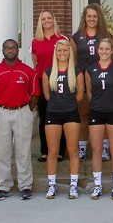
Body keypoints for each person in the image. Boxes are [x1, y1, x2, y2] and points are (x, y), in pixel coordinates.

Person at [0, 39, 40, 201]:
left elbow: (35, 95)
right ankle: (3, 186)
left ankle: (25, 186)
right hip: (1, 113)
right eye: (7, 48)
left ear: (17, 50)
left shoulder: (28, 72)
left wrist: (26, 111)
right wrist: (0, 110)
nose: (10, 51)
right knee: (3, 152)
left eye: (13, 48)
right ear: (3, 51)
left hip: (22, 112)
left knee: (23, 151)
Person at [85, 38, 113, 200]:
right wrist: (96, 104)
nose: (104, 52)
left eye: (107, 49)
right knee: (97, 150)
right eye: (101, 49)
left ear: (112, 51)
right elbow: (89, 92)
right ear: (97, 51)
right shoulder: (90, 70)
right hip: (96, 112)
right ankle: (98, 185)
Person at [42, 39, 84, 199]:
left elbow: (80, 95)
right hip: (53, 113)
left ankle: (73, 186)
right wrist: (57, 103)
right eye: (59, 51)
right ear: (55, 52)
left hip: (71, 113)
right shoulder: (48, 72)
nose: (62, 53)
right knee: (52, 152)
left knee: (73, 151)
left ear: (69, 52)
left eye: (65, 51)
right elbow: (47, 95)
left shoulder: (77, 71)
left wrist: (67, 103)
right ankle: (51, 185)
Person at [71, 3, 112, 162]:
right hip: (83, 80)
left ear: (99, 17)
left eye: (95, 16)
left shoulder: (106, 35)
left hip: (103, 81)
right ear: (84, 17)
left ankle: (105, 149)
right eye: (89, 16)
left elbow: (112, 58)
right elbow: (73, 62)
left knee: (105, 115)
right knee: (84, 115)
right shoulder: (76, 37)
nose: (92, 19)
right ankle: (82, 149)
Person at [31, 10, 68, 163]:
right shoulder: (35, 41)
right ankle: (45, 151)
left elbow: (68, 59)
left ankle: (60, 151)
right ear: (40, 22)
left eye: (49, 18)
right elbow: (35, 64)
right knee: (44, 117)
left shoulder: (62, 38)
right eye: (43, 19)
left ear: (54, 19)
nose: (46, 21)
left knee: (61, 116)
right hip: (42, 81)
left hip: (60, 80)